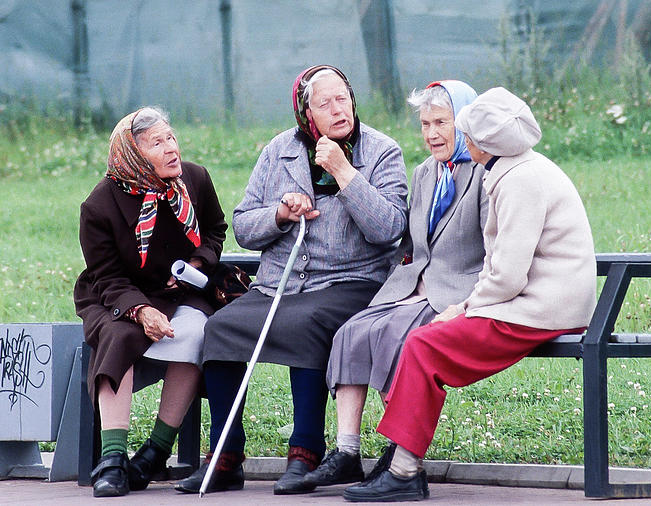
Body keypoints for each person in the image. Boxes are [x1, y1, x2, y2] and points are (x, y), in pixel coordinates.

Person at [342, 87, 597, 502]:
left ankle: (403, 472)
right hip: (536, 303)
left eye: (466, 134)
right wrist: (466, 306)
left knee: (425, 343)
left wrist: (462, 308)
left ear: (483, 142)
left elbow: (508, 275)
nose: (463, 141)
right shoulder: (517, 169)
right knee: (424, 340)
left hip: (543, 308)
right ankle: (399, 465)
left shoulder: (520, 181)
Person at [175, 65, 409, 495]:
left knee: (307, 324)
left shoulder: (381, 151)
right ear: (306, 113)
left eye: (343, 98)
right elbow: (244, 225)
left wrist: (345, 173)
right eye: (325, 103)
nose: (339, 109)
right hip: (278, 284)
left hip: (349, 282)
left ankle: (305, 452)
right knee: (221, 328)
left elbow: (389, 227)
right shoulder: (279, 150)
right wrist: (280, 213)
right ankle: (226, 456)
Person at [302, 80, 488, 491]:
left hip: (455, 290)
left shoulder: (484, 175)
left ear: (468, 122)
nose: (431, 133)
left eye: (442, 122)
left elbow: (495, 252)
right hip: (411, 285)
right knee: (351, 332)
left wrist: (469, 299)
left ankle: (399, 450)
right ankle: (348, 451)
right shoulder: (425, 173)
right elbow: (408, 239)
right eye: (424, 123)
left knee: (392, 334)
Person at [74, 107, 229, 497]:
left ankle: (155, 452)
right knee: (118, 338)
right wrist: (141, 311)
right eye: (157, 143)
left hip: (179, 291)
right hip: (118, 295)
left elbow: (214, 229)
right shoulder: (99, 205)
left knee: (198, 333)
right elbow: (106, 276)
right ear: (133, 154)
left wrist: (198, 262)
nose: (171, 149)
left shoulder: (194, 179)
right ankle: (112, 460)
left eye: (171, 138)